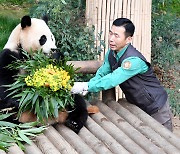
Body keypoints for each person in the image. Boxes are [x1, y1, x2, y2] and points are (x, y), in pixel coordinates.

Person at [71, 18, 173, 131]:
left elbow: (113, 79)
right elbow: (103, 72)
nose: (111, 39)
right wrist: (90, 85)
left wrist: (86, 86)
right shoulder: (112, 53)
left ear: (128, 39)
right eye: (110, 33)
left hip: (156, 107)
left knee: (163, 143)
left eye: (116, 35)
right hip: (137, 107)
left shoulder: (134, 61)